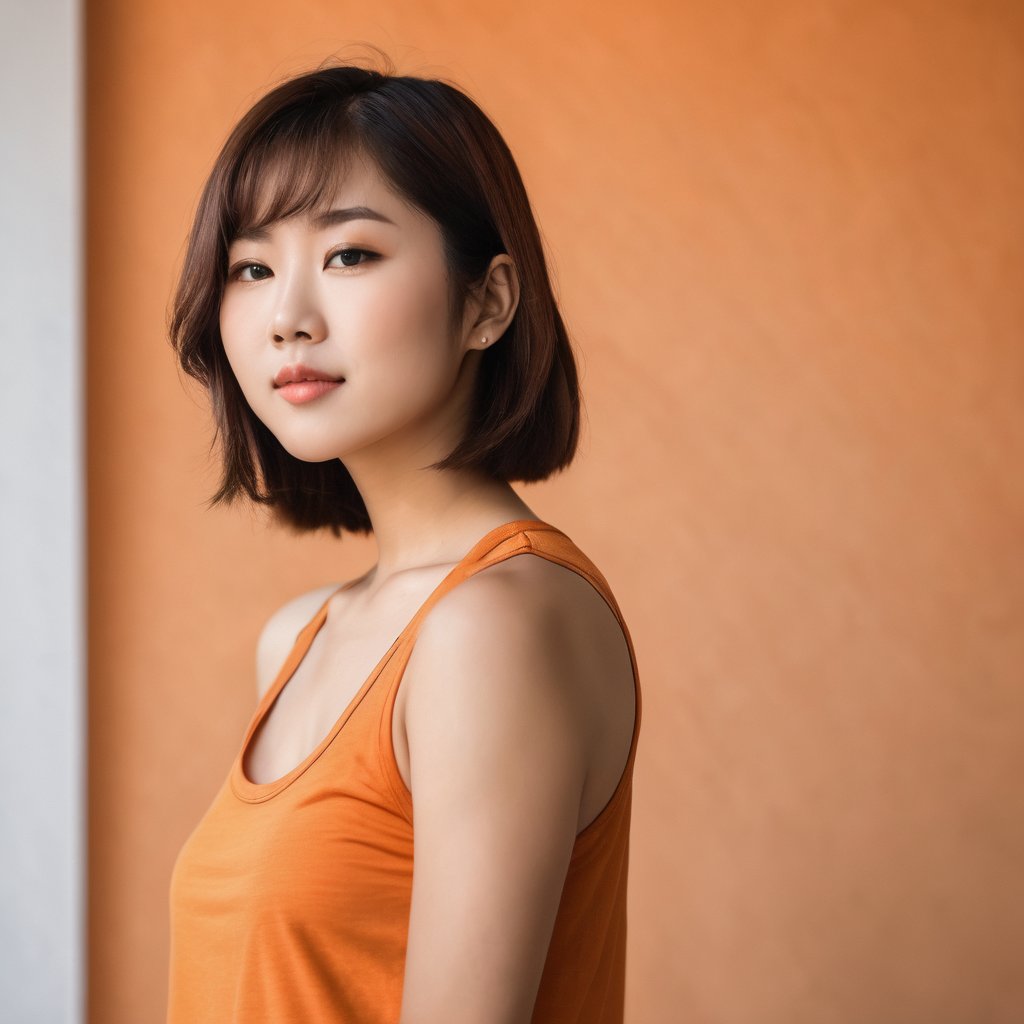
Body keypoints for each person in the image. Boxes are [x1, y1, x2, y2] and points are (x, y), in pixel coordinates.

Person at [165, 55, 642, 1024]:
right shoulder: (302, 636)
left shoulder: (492, 625)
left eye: (349, 255)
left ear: (486, 303)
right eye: (252, 268)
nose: (288, 319)